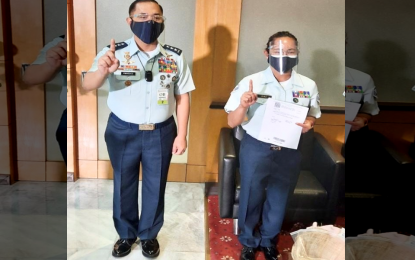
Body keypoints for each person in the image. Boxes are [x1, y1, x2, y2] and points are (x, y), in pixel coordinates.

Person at [82, 0, 195, 258]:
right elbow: (88, 84)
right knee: (124, 182)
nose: (150, 22)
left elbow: (183, 96)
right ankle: (125, 234)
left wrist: (181, 134)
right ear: (129, 20)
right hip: (122, 130)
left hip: (161, 131)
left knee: (156, 184)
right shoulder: (113, 53)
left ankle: (148, 236)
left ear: (163, 21)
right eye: (143, 16)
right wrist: (101, 71)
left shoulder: (174, 56)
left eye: (156, 17)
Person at [224, 31, 321, 260]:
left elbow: (314, 115)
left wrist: (310, 123)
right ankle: (248, 241)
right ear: (266, 53)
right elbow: (231, 121)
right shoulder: (252, 82)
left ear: (297, 54)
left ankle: (268, 240)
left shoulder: (308, 85)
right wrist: (242, 105)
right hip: (257, 148)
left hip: (289, 150)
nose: (283, 56)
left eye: (290, 51)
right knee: (251, 195)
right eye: (277, 51)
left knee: (280, 197)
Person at [22, 34, 67, 165]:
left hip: (117, 113)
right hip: (74, 112)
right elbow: (29, 77)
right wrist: (52, 65)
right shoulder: (62, 41)